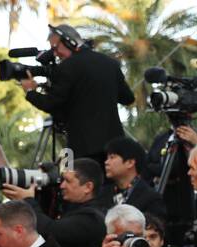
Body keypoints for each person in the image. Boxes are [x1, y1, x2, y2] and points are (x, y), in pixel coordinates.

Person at [21, 24, 134, 163]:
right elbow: (128, 98)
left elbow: (51, 104)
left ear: (69, 42)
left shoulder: (66, 67)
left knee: (80, 183)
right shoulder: (110, 63)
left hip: (83, 150)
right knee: (109, 185)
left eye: (55, 48)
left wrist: (30, 91)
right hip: (115, 149)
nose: (55, 54)